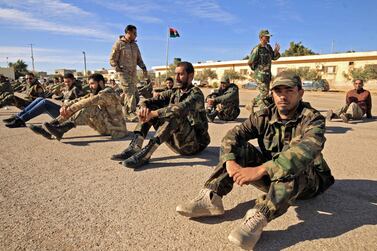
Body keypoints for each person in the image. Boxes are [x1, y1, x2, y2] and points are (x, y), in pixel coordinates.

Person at [176, 72, 334, 250]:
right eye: (277, 90)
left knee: (290, 164)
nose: (282, 96)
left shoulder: (312, 119)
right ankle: (212, 196)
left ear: (300, 93)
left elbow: (305, 150)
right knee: (237, 150)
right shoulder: (264, 116)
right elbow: (233, 135)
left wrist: (260, 170)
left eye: (289, 90)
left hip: (309, 183)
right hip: (272, 177)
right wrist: (230, 162)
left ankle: (260, 216)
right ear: (272, 93)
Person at [111, 61, 210, 169]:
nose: (176, 78)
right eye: (176, 74)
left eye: (181, 74)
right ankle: (135, 147)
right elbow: (150, 101)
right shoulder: (174, 92)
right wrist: (143, 109)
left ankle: (146, 154)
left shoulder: (196, 94)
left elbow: (179, 108)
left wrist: (153, 114)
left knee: (174, 114)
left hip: (193, 145)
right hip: (175, 141)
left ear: (190, 76)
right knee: (150, 109)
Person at [32, 73, 128, 140]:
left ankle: (59, 129)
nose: (90, 86)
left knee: (89, 108)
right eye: (89, 84)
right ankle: (50, 128)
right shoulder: (96, 93)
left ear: (101, 83)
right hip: (106, 126)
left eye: (92, 84)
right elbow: (80, 99)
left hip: (116, 130)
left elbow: (87, 102)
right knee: (82, 107)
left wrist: (69, 109)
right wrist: (66, 105)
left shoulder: (107, 93)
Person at [4, 73, 84, 128]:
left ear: (73, 80)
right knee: (40, 99)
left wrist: (67, 106)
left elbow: (81, 104)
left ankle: (21, 120)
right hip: (62, 110)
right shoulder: (68, 88)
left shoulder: (76, 89)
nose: (66, 84)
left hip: (68, 115)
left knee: (44, 102)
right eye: (65, 82)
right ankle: (18, 116)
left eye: (68, 82)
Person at [109, 24, 148, 122]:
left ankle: (124, 110)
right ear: (128, 32)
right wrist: (119, 69)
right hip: (124, 74)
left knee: (135, 95)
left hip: (133, 74)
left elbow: (139, 59)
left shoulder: (135, 45)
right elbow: (112, 60)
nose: (136, 35)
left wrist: (143, 67)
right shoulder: (119, 44)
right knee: (130, 92)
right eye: (134, 33)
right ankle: (131, 113)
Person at [248, 29, 280, 109]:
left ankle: (255, 104)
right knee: (264, 93)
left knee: (265, 93)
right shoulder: (257, 48)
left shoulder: (268, 47)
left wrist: (276, 52)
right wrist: (257, 71)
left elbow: (273, 57)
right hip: (260, 76)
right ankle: (254, 104)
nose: (269, 38)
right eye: (267, 37)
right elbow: (250, 62)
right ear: (261, 37)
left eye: (269, 37)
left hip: (267, 75)